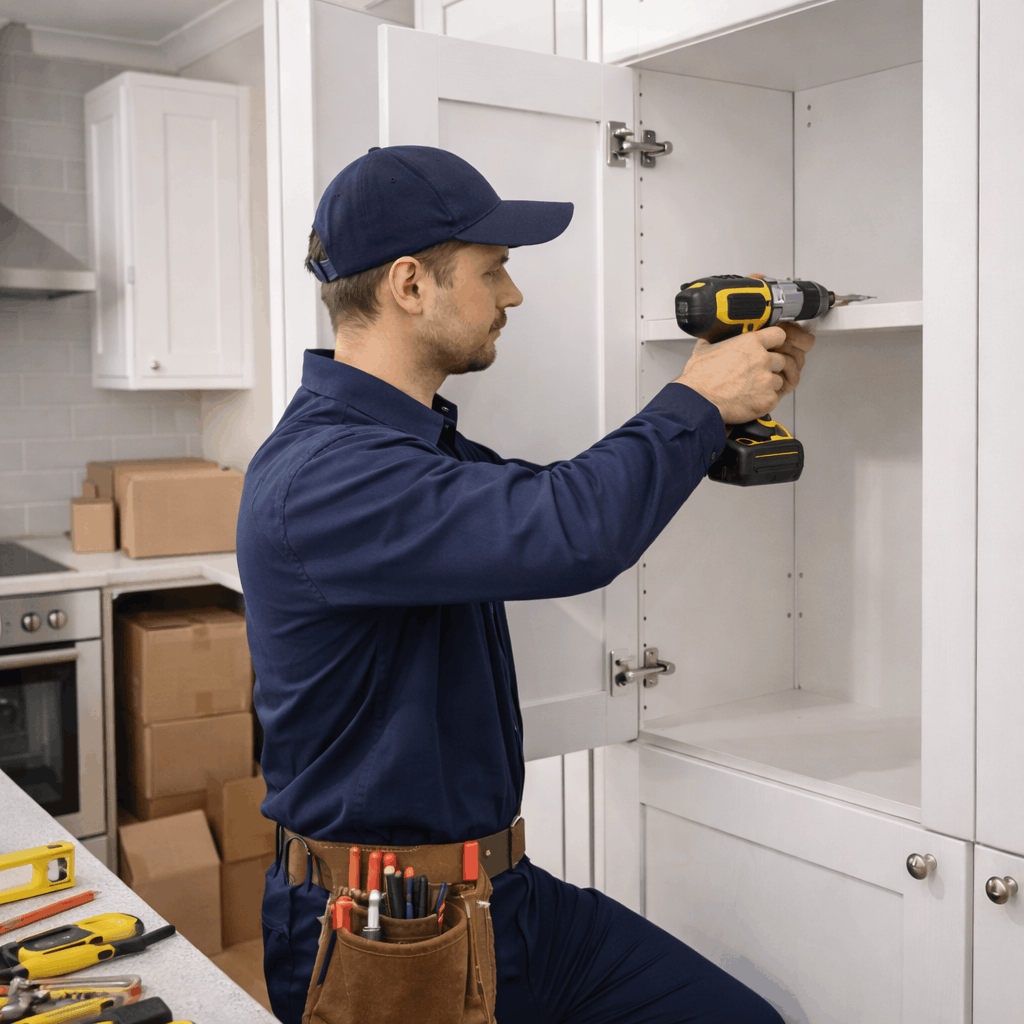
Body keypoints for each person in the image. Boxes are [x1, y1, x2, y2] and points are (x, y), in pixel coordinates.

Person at [236, 145, 813, 1024]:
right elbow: (567, 530)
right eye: (494, 269)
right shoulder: (327, 476)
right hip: (384, 929)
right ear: (409, 284)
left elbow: (545, 504)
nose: (512, 294)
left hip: (502, 895)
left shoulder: (404, 447)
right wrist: (697, 401)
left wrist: (716, 407)